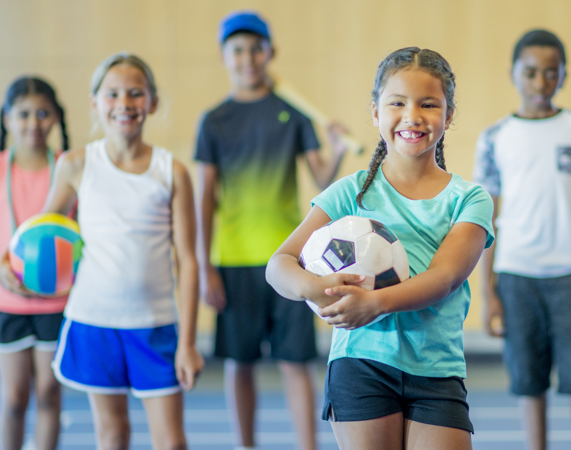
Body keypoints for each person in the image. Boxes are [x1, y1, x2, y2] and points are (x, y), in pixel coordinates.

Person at [266, 46, 495, 450]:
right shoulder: (351, 192)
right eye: (397, 103)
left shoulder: (470, 199)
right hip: (362, 364)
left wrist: (373, 304)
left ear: (449, 115)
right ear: (376, 113)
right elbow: (280, 264)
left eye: (428, 104)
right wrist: (319, 290)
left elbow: (443, 278)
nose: (412, 116)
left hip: (437, 369)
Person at [0, 52, 205, 449]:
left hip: (155, 324)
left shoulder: (171, 171)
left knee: (171, 441)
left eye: (135, 94)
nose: (124, 104)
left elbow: (189, 260)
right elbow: (40, 232)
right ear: (94, 103)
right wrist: (8, 259)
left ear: (153, 103)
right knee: (112, 435)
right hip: (93, 320)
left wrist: (189, 341)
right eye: (112, 94)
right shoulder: (76, 165)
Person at [194, 10, 348, 450]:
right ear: (225, 56)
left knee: (296, 362)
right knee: (239, 364)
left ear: (270, 53)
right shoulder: (214, 120)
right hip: (236, 260)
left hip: (291, 261)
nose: (247, 58)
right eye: (237, 50)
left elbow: (322, 179)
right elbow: (205, 197)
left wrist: (335, 148)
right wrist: (206, 267)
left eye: (255, 49)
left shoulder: (293, 113)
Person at [472, 29, 571, 450]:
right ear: (513, 74)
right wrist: (488, 294)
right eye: (531, 73)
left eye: (550, 74)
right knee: (528, 381)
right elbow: (485, 219)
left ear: (563, 75)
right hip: (516, 275)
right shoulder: (494, 137)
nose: (541, 83)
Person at [0, 76, 69, 450]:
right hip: (7, 302)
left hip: (57, 300)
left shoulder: (68, 168)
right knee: (13, 398)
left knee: (48, 393)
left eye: (43, 114)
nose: (33, 123)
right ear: (7, 119)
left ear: (57, 117)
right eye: (23, 114)